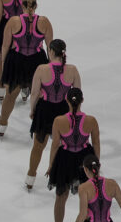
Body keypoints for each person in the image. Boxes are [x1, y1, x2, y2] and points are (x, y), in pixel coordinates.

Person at [25, 39, 80, 190]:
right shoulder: (73, 70)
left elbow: (35, 93)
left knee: (38, 146)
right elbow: (77, 94)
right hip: (63, 110)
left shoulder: (42, 69)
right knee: (65, 147)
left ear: (51, 52)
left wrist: (32, 110)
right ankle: (68, 178)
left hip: (45, 110)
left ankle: (30, 177)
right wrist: (73, 114)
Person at [46, 88, 99, 222]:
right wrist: (95, 165)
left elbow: (55, 145)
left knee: (61, 196)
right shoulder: (91, 121)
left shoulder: (59, 121)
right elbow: (95, 143)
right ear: (82, 100)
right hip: (85, 159)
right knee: (89, 197)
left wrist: (51, 166)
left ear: (67, 100)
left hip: (65, 159)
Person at [0, 0, 52, 137]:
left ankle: (2, 124)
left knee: (10, 95)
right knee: (41, 96)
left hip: (17, 61)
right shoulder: (44, 22)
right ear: (36, 6)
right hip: (37, 61)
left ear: (22, 6)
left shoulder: (14, 21)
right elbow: (50, 47)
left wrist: (4, 64)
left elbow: (5, 46)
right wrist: (52, 68)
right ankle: (42, 127)